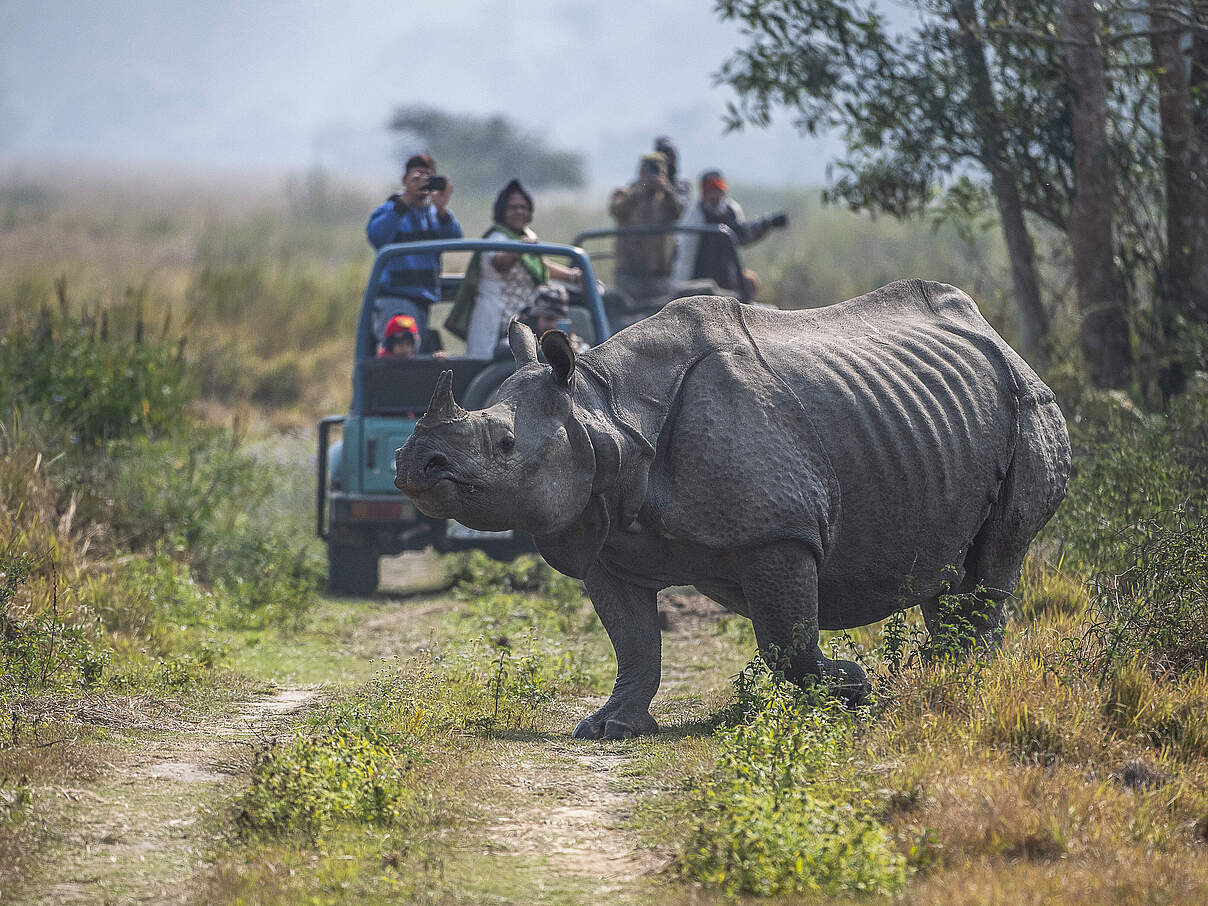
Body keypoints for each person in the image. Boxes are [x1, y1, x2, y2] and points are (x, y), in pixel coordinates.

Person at [446, 179, 582, 358]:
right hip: (494, 320)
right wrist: (520, 249)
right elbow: (500, 263)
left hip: (526, 321)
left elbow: (540, 265)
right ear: (503, 211)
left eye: (523, 207)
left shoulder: (528, 236)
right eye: (513, 207)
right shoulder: (496, 237)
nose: (519, 212)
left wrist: (572, 276)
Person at [366, 153, 463, 350]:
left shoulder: (435, 215)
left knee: (414, 354)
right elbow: (378, 237)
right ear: (405, 180)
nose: (423, 182)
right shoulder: (391, 209)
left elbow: (454, 241)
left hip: (422, 299)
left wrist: (442, 208)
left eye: (429, 177)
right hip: (395, 298)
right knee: (400, 353)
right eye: (417, 177)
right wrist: (406, 200)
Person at [674, 169, 788, 295]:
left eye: (717, 189)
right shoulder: (695, 218)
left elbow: (743, 235)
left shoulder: (731, 211)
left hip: (728, 279)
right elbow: (685, 255)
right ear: (704, 193)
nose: (714, 195)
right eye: (711, 190)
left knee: (750, 281)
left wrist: (767, 223)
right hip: (700, 280)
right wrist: (680, 287)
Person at [608, 152, 685, 297]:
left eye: (657, 172)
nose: (652, 177)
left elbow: (678, 213)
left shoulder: (667, 197)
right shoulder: (626, 193)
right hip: (629, 273)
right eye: (647, 172)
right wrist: (638, 193)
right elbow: (616, 210)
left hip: (659, 273)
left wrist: (667, 191)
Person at [517, 284, 589, 354]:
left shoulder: (568, 340)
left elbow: (586, 350)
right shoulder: (521, 338)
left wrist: (574, 351)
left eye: (559, 320)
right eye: (549, 319)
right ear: (535, 319)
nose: (554, 325)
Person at [377, 313, 447, 360]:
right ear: (390, 345)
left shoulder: (413, 362)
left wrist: (434, 357)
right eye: (400, 345)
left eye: (408, 344)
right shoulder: (383, 363)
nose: (404, 348)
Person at [654, 136, 692, 210]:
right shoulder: (644, 183)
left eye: (670, 155)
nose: (667, 160)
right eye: (662, 155)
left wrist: (667, 189)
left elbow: (683, 209)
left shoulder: (682, 185)